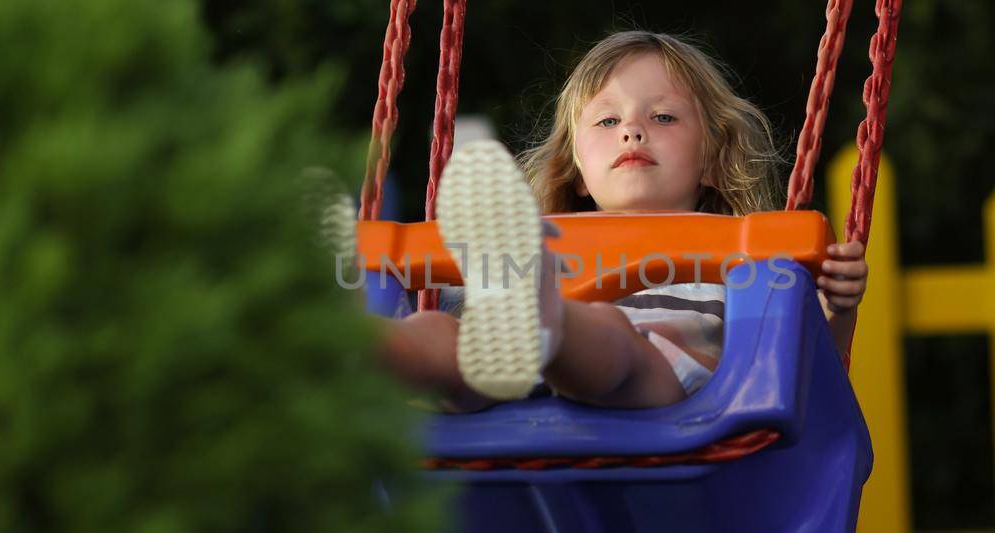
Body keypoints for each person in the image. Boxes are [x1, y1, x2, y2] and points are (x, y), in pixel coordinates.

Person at [362, 31, 868, 412]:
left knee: (610, 334)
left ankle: (546, 321)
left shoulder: (743, 255)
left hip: (673, 390)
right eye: (607, 121)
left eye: (663, 117)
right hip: (525, 395)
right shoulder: (549, 246)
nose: (631, 130)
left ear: (714, 159)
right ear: (576, 172)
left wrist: (835, 306)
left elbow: (807, 374)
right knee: (439, 332)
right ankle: (351, 346)